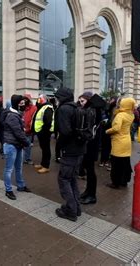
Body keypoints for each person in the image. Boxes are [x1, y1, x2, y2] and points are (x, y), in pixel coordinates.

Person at [54, 87, 87, 222]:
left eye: (57, 98)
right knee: (72, 178)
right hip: (80, 149)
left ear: (61, 98)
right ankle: (76, 208)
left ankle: (71, 210)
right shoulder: (77, 108)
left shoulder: (63, 109)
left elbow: (65, 132)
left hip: (70, 151)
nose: (55, 100)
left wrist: (60, 146)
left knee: (64, 179)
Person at [2, 95, 32, 200]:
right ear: (16, 104)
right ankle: (8, 190)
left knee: (19, 168)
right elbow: (18, 132)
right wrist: (27, 143)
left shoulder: (16, 114)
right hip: (11, 145)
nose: (23, 105)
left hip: (17, 145)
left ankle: (20, 186)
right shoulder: (12, 116)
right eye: (21, 103)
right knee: (9, 169)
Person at [105, 97, 136, 189]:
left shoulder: (120, 115)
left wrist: (107, 131)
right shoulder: (131, 114)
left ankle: (115, 182)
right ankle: (124, 181)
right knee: (125, 162)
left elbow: (116, 128)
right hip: (127, 140)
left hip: (119, 141)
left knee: (116, 163)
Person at [78, 92, 101, 204]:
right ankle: (88, 191)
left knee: (91, 170)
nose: (81, 103)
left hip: (91, 144)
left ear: (88, 100)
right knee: (89, 169)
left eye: (82, 101)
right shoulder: (92, 110)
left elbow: (89, 130)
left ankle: (92, 195)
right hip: (90, 143)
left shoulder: (92, 111)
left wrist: (81, 135)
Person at [33, 94, 54, 173]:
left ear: (44, 99)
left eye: (40, 98)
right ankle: (43, 164)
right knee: (43, 149)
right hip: (41, 132)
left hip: (45, 133)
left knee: (46, 149)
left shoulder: (47, 108)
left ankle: (46, 166)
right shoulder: (41, 107)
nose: (38, 100)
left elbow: (48, 122)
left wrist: (42, 131)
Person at [23, 94, 37, 165]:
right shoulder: (22, 107)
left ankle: (27, 158)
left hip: (29, 130)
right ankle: (24, 158)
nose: (25, 101)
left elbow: (34, 119)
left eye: (26, 99)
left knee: (28, 145)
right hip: (22, 130)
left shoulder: (34, 108)